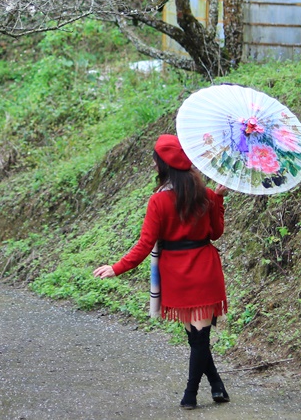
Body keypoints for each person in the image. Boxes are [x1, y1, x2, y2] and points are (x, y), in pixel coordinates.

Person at [93, 134, 230, 409]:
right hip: (204, 268)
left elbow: (146, 243)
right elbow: (215, 234)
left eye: (155, 160)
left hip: (176, 271)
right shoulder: (205, 194)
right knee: (198, 337)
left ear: (164, 166)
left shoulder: (158, 201)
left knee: (199, 337)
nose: (153, 164)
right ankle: (217, 385)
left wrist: (117, 268)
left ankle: (190, 394)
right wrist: (216, 198)